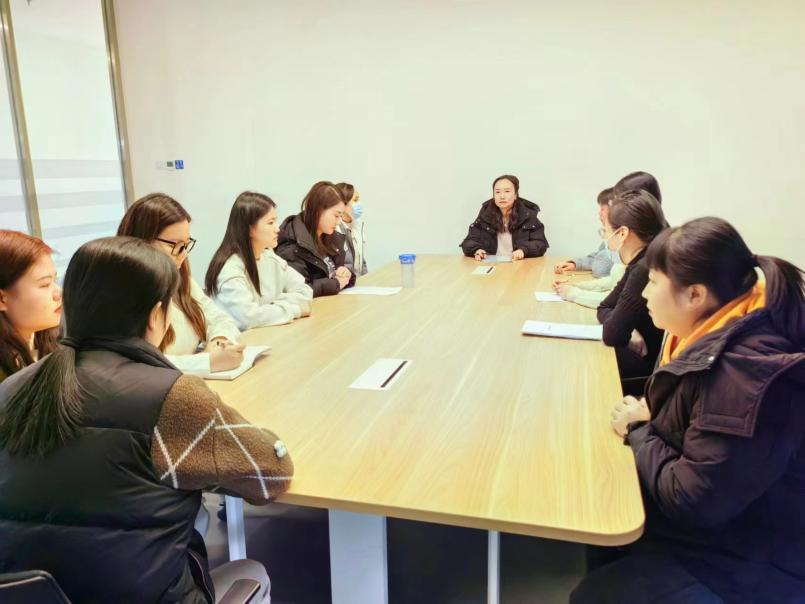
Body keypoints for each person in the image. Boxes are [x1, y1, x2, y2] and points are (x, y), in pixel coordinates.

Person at [0, 236, 294, 603]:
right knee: (251, 573)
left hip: (31, 595)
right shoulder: (172, 396)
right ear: (156, 315)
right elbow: (271, 475)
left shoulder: (13, 388)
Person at [573, 217, 805, 603]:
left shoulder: (742, 376)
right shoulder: (714, 331)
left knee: (594, 591)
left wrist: (639, 429)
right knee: (603, 511)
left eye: (653, 282)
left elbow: (692, 499)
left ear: (695, 295)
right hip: (728, 528)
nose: (644, 294)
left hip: (748, 559)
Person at [118, 193, 243, 376]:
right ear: (141, 241)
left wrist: (219, 341)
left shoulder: (180, 277)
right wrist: (206, 362)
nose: (183, 254)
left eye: (186, 244)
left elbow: (219, 318)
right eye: (175, 245)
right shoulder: (123, 292)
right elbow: (136, 365)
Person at [205, 191, 313, 329]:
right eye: (270, 223)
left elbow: (305, 291)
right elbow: (248, 318)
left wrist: (273, 305)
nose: (277, 229)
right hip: (241, 340)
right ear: (249, 229)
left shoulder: (270, 258)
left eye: (275, 221)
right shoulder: (230, 269)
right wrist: (294, 309)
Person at [596, 190, 667, 391]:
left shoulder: (645, 267)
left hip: (648, 368)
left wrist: (621, 324)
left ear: (622, 233)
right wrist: (630, 329)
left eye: (604, 230)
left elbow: (612, 334)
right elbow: (605, 307)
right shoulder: (640, 261)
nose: (605, 237)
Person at [0, 230, 61, 383]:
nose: (58, 293)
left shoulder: (55, 339)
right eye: (45, 284)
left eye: (55, 280)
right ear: (2, 299)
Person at [276, 181, 356, 297]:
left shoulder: (330, 236)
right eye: (336, 215)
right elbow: (299, 290)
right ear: (318, 210)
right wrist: (335, 284)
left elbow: (339, 275)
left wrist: (347, 274)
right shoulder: (292, 244)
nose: (339, 222)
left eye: (340, 216)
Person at [460, 174, 548, 261]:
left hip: (518, 264)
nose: (502, 196)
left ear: (515, 195)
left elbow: (540, 244)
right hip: (491, 264)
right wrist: (476, 250)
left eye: (507, 191)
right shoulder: (485, 215)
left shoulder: (527, 215)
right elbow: (468, 241)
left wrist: (523, 250)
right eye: (497, 192)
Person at [553, 187, 617, 278]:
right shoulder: (611, 238)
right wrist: (575, 264)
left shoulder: (620, 241)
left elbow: (600, 271)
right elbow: (598, 256)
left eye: (602, 209)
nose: (599, 213)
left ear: (614, 211)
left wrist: (608, 231)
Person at [335, 182, 368, 276]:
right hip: (345, 281)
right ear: (343, 203)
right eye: (355, 200)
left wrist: (366, 278)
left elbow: (361, 258)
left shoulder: (358, 223)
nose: (359, 203)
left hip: (358, 280)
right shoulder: (335, 228)